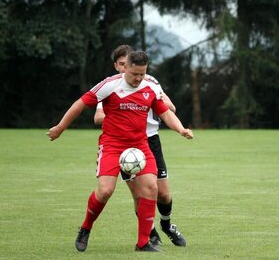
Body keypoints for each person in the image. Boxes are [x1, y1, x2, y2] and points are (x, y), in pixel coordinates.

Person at [47, 51, 193, 252]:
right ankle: (85, 228)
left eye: (142, 74)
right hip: (112, 145)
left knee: (152, 188)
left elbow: (165, 113)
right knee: (105, 190)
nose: (138, 79)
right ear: (126, 68)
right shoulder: (110, 85)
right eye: (134, 74)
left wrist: (181, 129)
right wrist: (60, 128)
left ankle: (143, 243)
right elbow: (80, 104)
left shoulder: (150, 87)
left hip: (140, 146)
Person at [94, 45, 186, 247]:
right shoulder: (110, 87)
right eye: (120, 64)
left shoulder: (149, 82)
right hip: (126, 146)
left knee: (163, 193)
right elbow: (98, 116)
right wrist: (122, 110)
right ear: (118, 65)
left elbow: (170, 107)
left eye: (126, 63)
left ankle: (167, 225)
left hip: (150, 140)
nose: (123, 67)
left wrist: (157, 103)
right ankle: (149, 234)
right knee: (139, 194)